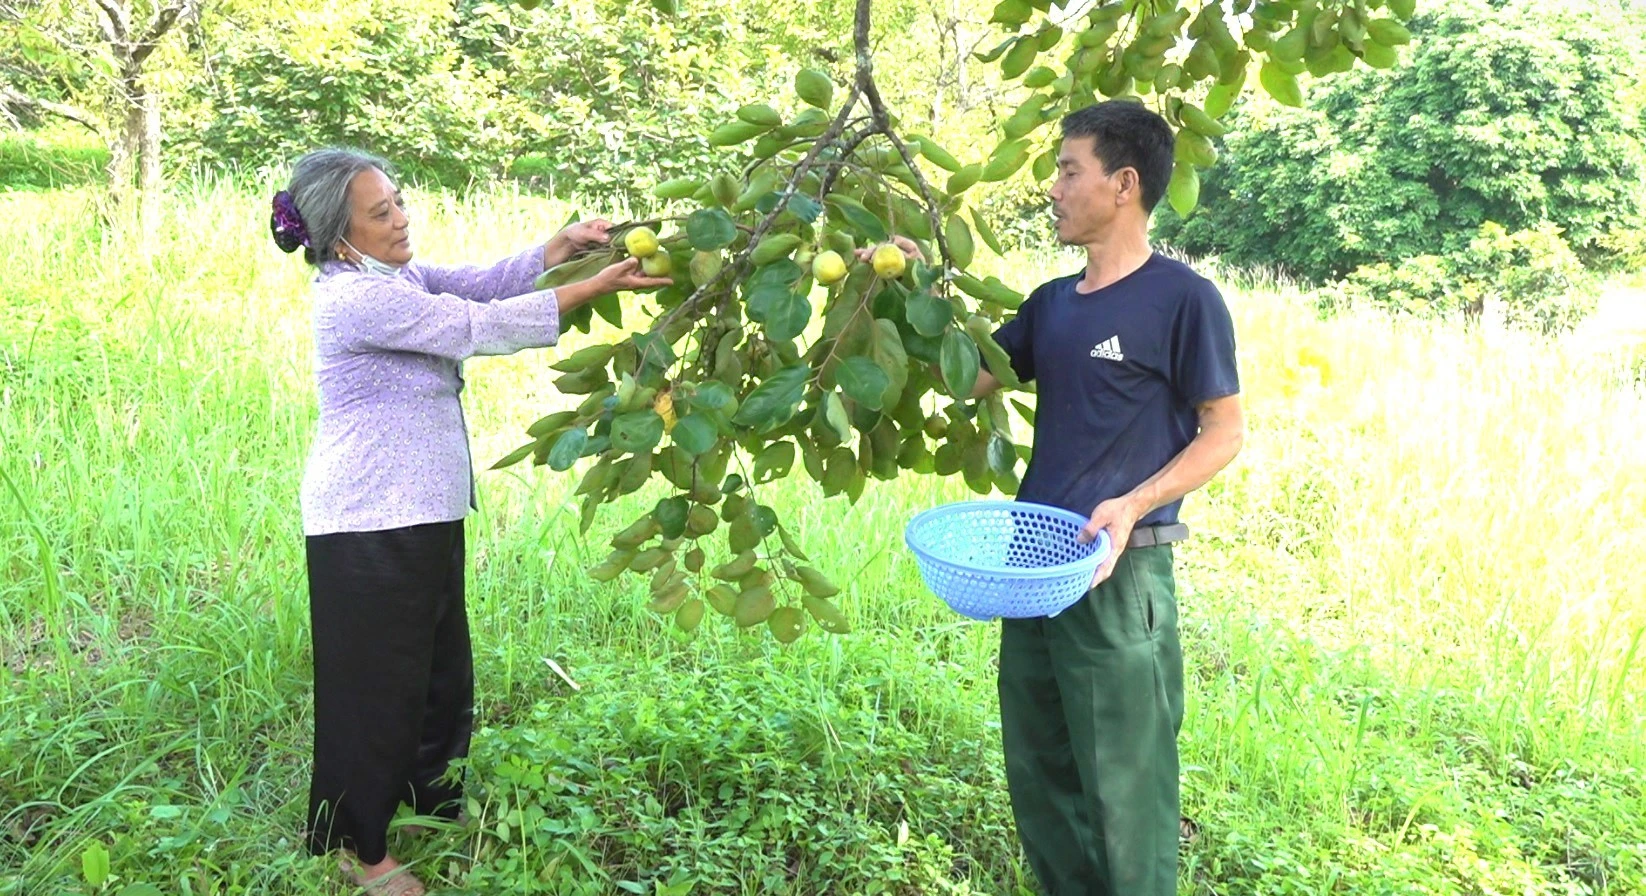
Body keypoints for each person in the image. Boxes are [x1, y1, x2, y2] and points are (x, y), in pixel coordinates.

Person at [269, 147, 671, 895]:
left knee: (438, 674)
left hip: (420, 509)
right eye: (380, 211)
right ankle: (361, 847)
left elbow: (478, 283)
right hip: (367, 519)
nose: (400, 217)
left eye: (399, 201)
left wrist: (557, 251)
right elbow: (475, 325)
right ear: (339, 233)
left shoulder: (393, 276)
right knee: (377, 687)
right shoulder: (354, 298)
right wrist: (591, 288)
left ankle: (430, 802)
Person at [972, 101, 1245, 895]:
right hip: (1033, 568)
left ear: (1124, 184)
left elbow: (1223, 432)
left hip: (1119, 575)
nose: (1052, 188)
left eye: (1068, 171)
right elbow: (969, 375)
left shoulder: (1182, 299)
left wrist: (1134, 502)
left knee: (1127, 791)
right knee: (1041, 769)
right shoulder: (1052, 303)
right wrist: (906, 283)